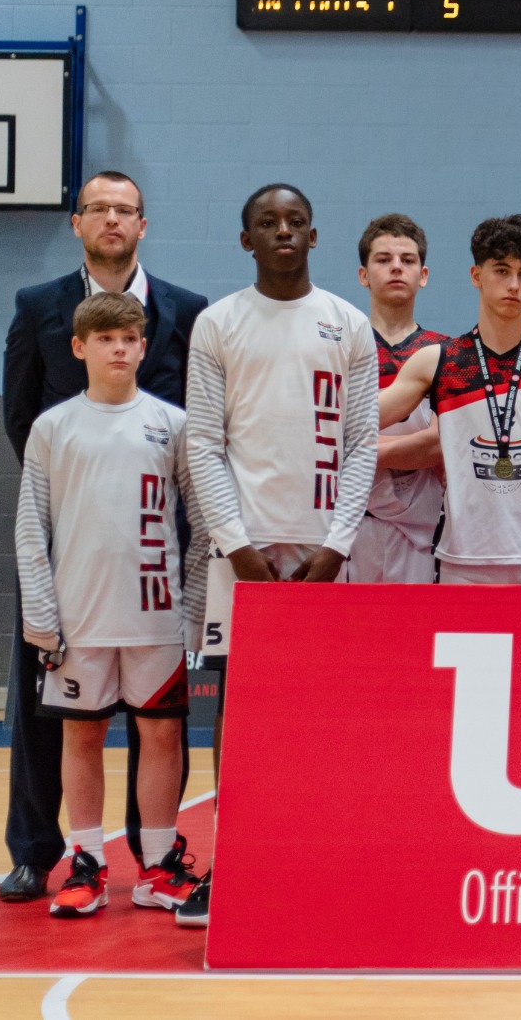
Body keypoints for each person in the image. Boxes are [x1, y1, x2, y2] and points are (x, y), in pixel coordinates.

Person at [0, 170, 206, 904]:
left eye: (126, 209)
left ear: (143, 223)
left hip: (154, 567)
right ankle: (45, 853)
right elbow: (21, 420)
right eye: (98, 208)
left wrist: (193, 599)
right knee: (55, 724)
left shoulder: (187, 311)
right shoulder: (38, 309)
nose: (112, 219)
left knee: (162, 727)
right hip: (73, 558)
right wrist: (78, 501)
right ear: (77, 222)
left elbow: (201, 461)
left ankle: (157, 856)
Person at [181, 183, 380, 926]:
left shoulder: (348, 324)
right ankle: (230, 864)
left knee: (322, 709)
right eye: (268, 223)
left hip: (323, 554)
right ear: (247, 240)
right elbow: (204, 442)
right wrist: (237, 545)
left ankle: (315, 860)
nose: (284, 231)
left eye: (296, 221)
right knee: (236, 710)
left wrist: (335, 546)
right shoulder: (218, 323)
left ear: (315, 235)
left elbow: (362, 443)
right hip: (242, 556)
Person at [379, 214, 521, 585]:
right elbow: (359, 420)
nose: (513, 285)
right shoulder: (438, 362)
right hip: (462, 560)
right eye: (501, 270)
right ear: (476, 275)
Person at [349, 214, 448, 584]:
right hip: (349, 526)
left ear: (423, 275)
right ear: (363, 275)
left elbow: (438, 445)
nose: (396, 267)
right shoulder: (339, 348)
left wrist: (357, 450)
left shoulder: (447, 353)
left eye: (407, 260)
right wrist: (411, 449)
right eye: (383, 259)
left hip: (423, 530)